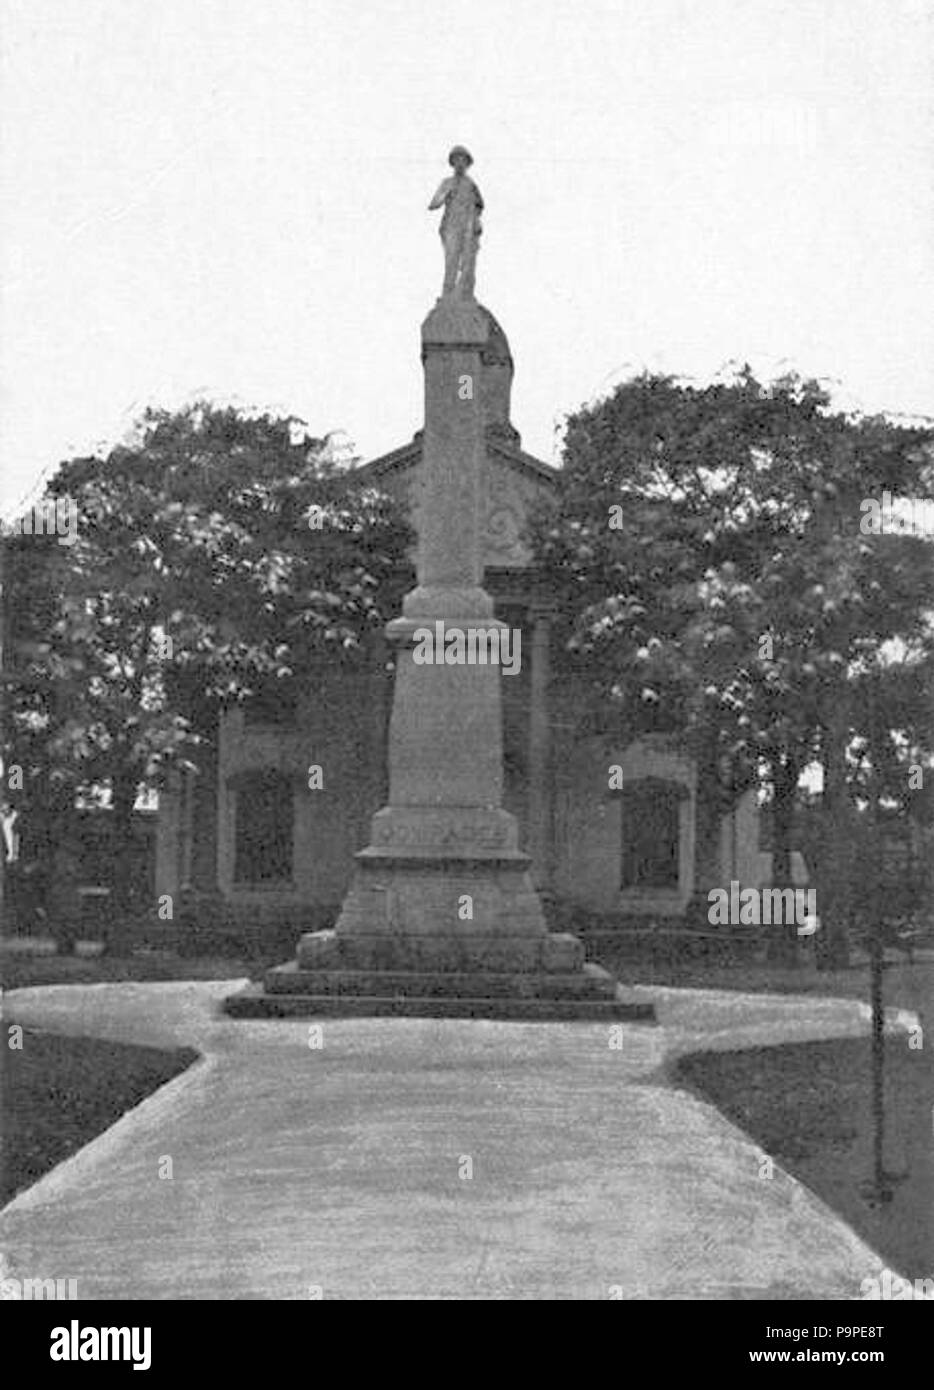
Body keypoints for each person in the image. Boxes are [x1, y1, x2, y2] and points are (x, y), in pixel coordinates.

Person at [428, 146, 483, 298]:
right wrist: (445, 193)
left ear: (467, 164)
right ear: (452, 163)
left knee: (468, 263)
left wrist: (477, 223)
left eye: (463, 160)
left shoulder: (471, 185)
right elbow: (434, 204)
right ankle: (448, 295)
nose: (460, 163)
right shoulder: (447, 183)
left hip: (468, 226)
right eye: (457, 160)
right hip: (451, 226)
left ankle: (465, 294)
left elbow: (479, 205)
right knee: (451, 261)